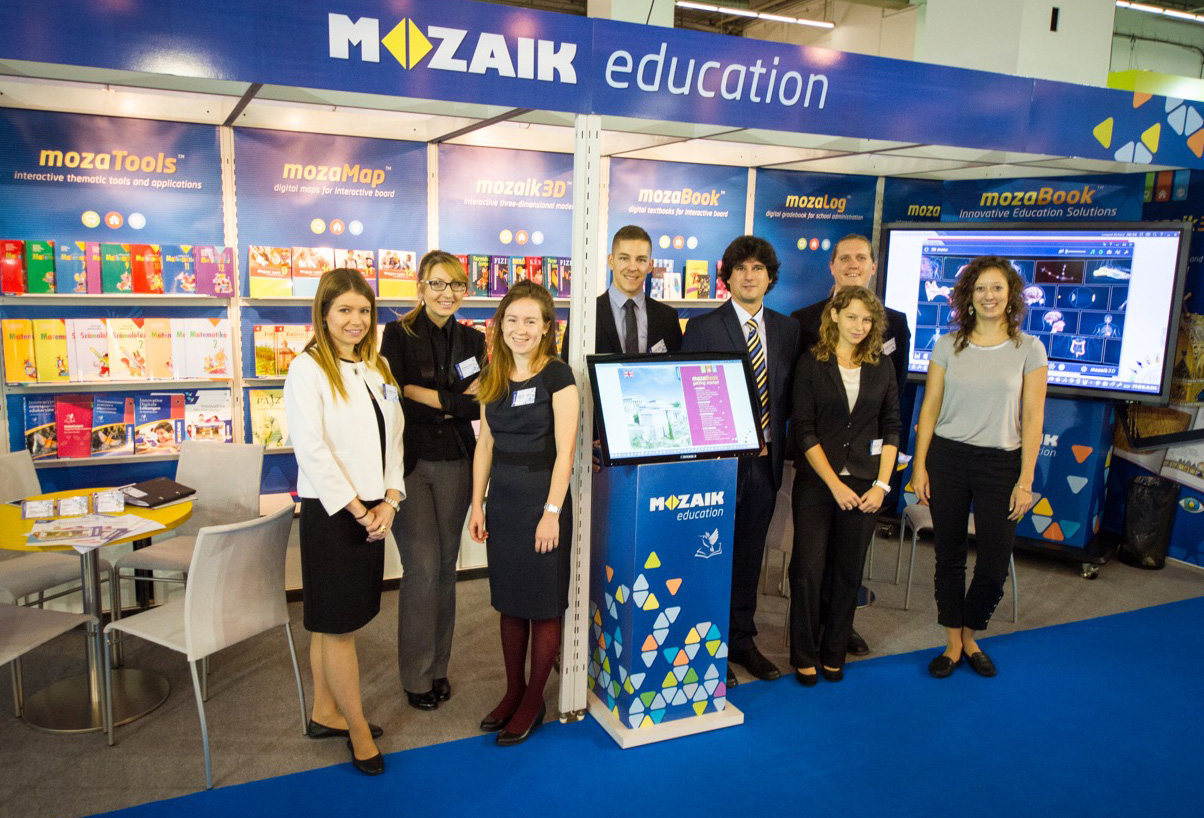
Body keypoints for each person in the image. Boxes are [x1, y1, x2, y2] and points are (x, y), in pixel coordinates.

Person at [284, 268, 405, 776]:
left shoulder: (377, 366)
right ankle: (356, 729)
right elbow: (311, 449)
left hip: (375, 508)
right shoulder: (307, 368)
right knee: (338, 628)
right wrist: (359, 510)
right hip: (335, 514)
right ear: (324, 313)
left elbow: (394, 438)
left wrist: (391, 500)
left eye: (364, 311)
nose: (356, 320)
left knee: (331, 622)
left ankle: (324, 711)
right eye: (344, 310)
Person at [911, 256, 1047, 679]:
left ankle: (972, 634)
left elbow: (1034, 418)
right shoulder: (947, 345)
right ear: (968, 296)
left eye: (997, 288)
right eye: (981, 288)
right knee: (949, 557)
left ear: (1011, 295)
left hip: (1001, 465)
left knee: (993, 564)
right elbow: (929, 408)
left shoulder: (1030, 349)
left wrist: (1025, 480)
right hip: (947, 459)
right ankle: (954, 643)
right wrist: (919, 466)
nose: (989, 296)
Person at [682, 236, 800, 687]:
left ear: (770, 277)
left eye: (758, 268)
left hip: (766, 464)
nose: (749, 276)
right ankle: (706, 644)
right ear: (727, 277)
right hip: (719, 464)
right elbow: (690, 397)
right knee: (710, 555)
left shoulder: (787, 330)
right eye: (741, 268)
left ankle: (742, 640)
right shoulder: (701, 328)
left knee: (750, 555)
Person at [469, 280, 579, 746]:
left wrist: (552, 511)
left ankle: (534, 700)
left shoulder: (558, 376)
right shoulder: (492, 375)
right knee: (509, 602)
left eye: (530, 321)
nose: (520, 329)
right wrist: (477, 504)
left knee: (543, 604)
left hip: (542, 499)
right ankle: (513, 691)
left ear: (546, 326)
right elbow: (485, 445)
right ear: (500, 325)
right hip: (504, 502)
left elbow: (566, 452)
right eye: (512, 319)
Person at [791, 234, 911, 658]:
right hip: (818, 464)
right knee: (810, 562)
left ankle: (838, 634)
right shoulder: (803, 321)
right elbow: (800, 411)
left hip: (865, 465)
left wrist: (882, 481)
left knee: (848, 565)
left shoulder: (894, 325)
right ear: (832, 265)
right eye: (845, 257)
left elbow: (892, 406)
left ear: (873, 266)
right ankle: (810, 640)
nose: (853, 264)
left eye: (862, 257)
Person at [379, 251, 486, 712]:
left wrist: (429, 396)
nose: (447, 293)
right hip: (410, 465)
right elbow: (394, 395)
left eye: (456, 285)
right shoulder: (397, 334)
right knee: (421, 566)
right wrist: (451, 400)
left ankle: (438, 668)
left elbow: (479, 402)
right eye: (438, 284)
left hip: (458, 461)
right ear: (420, 286)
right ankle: (416, 675)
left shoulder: (474, 340)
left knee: (445, 567)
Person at [560, 224, 682, 358]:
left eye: (641, 260)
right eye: (624, 258)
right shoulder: (584, 314)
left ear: (650, 265)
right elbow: (569, 366)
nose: (632, 267)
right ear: (611, 261)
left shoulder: (668, 317)